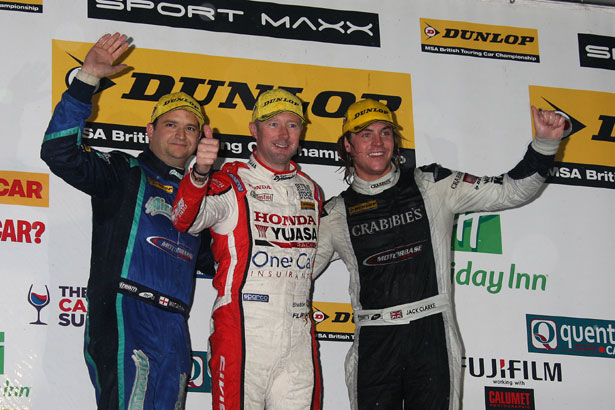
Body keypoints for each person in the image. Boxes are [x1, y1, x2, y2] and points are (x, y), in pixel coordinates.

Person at [313, 99, 565, 410]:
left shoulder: (431, 183)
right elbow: (294, 273)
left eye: (386, 133)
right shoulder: (336, 213)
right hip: (375, 341)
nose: (378, 143)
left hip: (430, 331)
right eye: (365, 135)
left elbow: (509, 191)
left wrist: (544, 143)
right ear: (348, 145)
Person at [41, 33, 210, 409]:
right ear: (150, 131)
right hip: (125, 313)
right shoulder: (124, 171)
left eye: (191, 127)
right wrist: (86, 80)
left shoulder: (204, 199)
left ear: (200, 139)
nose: (181, 134)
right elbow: (59, 151)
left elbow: (219, 261)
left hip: (175, 325)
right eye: (170, 124)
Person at [171, 88, 323, 410]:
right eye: (273, 124)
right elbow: (184, 218)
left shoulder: (310, 189)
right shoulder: (231, 181)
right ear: (254, 130)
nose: (283, 134)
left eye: (293, 125)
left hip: (298, 333)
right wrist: (199, 173)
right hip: (243, 328)